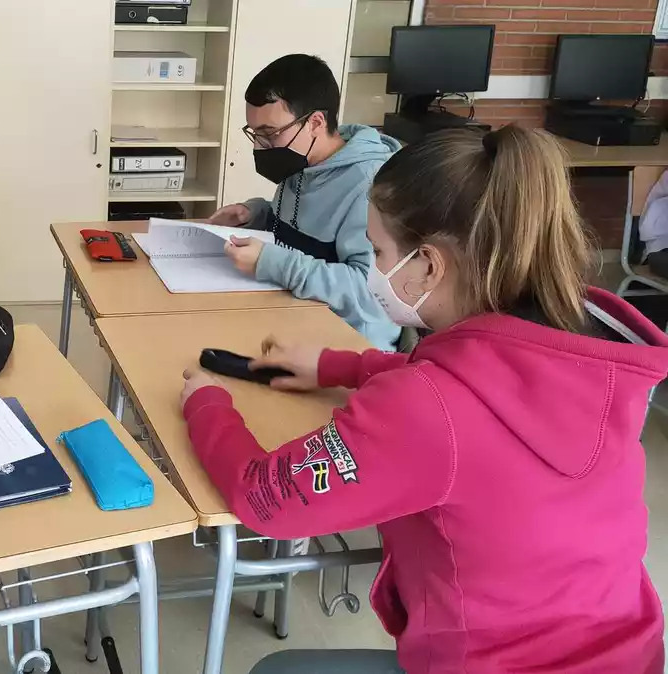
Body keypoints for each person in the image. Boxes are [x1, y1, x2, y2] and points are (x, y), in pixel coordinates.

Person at [181, 126, 667, 673]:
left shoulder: (423, 407)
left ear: (429, 265)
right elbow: (480, 385)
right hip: (625, 654)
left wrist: (207, 405)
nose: (373, 268)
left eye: (379, 250)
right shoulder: (583, 352)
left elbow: (264, 499)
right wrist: (342, 365)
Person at [210, 54, 401, 350]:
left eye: (269, 134)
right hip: (293, 316)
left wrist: (272, 263)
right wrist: (257, 214)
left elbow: (370, 293)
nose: (262, 146)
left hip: (350, 346)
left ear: (314, 122)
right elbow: (300, 230)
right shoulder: (302, 161)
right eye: (254, 134)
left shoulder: (372, 185)